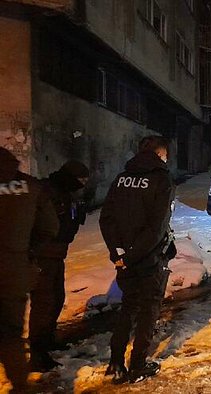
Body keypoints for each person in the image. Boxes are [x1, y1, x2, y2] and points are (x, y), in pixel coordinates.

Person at [99, 136, 176, 384]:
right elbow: (157, 227)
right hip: (150, 258)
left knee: (128, 307)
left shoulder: (121, 179)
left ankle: (116, 362)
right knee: (148, 311)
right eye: (166, 155)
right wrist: (135, 255)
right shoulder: (161, 180)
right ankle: (138, 366)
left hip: (125, 260)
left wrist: (119, 254)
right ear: (160, 154)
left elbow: (106, 219)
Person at [0, 147, 59, 393]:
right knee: (11, 333)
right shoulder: (31, 187)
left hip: (16, 267)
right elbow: (50, 227)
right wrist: (26, 251)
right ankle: (20, 384)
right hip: (14, 270)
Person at [29, 160, 90, 372]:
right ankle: (37, 352)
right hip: (43, 256)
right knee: (43, 302)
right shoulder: (49, 192)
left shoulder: (65, 193)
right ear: (70, 177)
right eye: (81, 180)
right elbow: (41, 226)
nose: (82, 184)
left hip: (56, 255)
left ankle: (47, 339)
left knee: (57, 298)